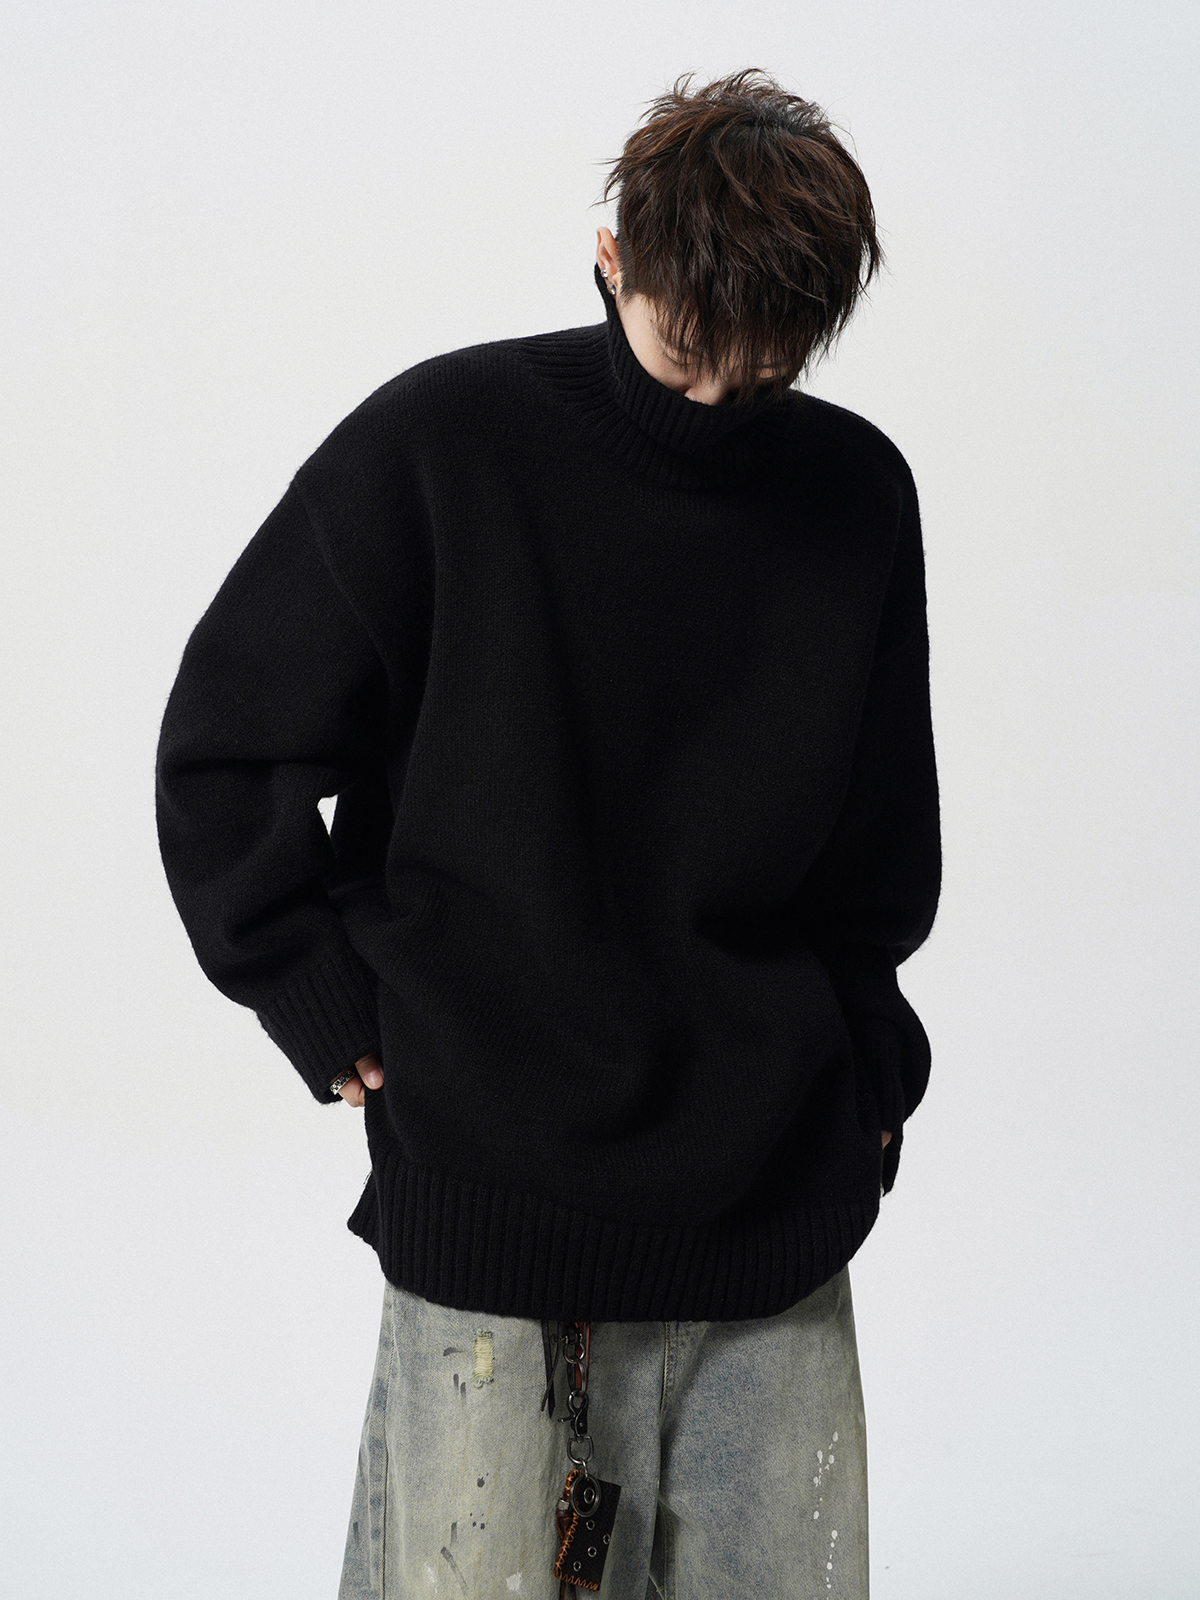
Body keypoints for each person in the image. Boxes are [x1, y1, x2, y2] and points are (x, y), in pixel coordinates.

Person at [156, 66, 940, 1599]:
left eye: (761, 373)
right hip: (491, 1174)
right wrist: (306, 983)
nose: (712, 405)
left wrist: (869, 1066)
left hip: (774, 1190)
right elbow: (229, 738)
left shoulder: (855, 491)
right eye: (685, 349)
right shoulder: (444, 447)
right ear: (608, 256)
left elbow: (876, 839)